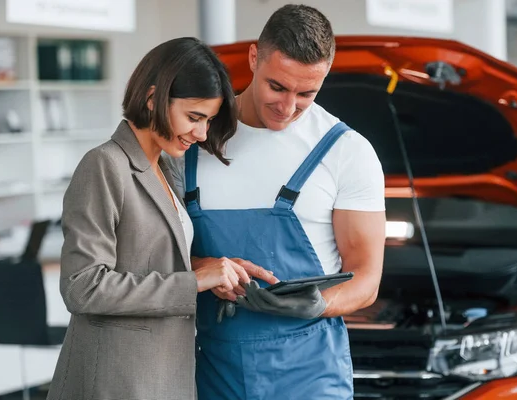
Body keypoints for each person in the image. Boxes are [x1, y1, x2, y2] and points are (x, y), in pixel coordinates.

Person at [167, 4, 386, 400]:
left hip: (311, 377)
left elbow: (366, 281)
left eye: (307, 93)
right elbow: (155, 255)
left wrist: (317, 304)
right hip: (213, 372)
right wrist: (202, 268)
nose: (288, 108)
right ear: (254, 58)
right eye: (277, 87)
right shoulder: (192, 142)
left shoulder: (347, 152)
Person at [46, 37, 275, 400]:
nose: (201, 134)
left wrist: (212, 267)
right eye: (194, 117)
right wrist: (194, 282)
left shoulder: (169, 169)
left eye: (209, 121)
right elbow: (83, 286)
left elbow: (148, 257)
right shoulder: (104, 165)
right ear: (153, 99)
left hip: (166, 374)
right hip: (115, 379)